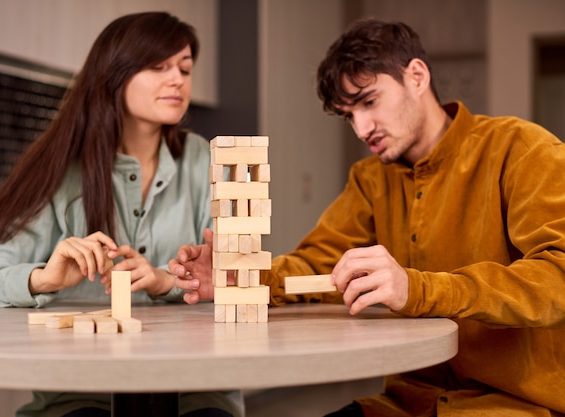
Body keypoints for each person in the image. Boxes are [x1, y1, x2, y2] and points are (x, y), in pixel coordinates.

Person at [169, 18, 565, 417]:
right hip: (405, 404)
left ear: (417, 76)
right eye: (348, 115)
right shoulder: (370, 179)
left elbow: (558, 276)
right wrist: (248, 278)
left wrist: (419, 290)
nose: (361, 128)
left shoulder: (521, 148)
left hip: (516, 406)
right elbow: (318, 263)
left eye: (369, 102)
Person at [0, 12, 242, 417]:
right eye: (158, 66)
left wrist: (164, 280)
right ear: (114, 74)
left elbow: (244, 281)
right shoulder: (58, 170)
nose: (178, 79)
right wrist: (43, 278)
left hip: (196, 389)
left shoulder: (206, 160)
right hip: (80, 395)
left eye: (185, 68)